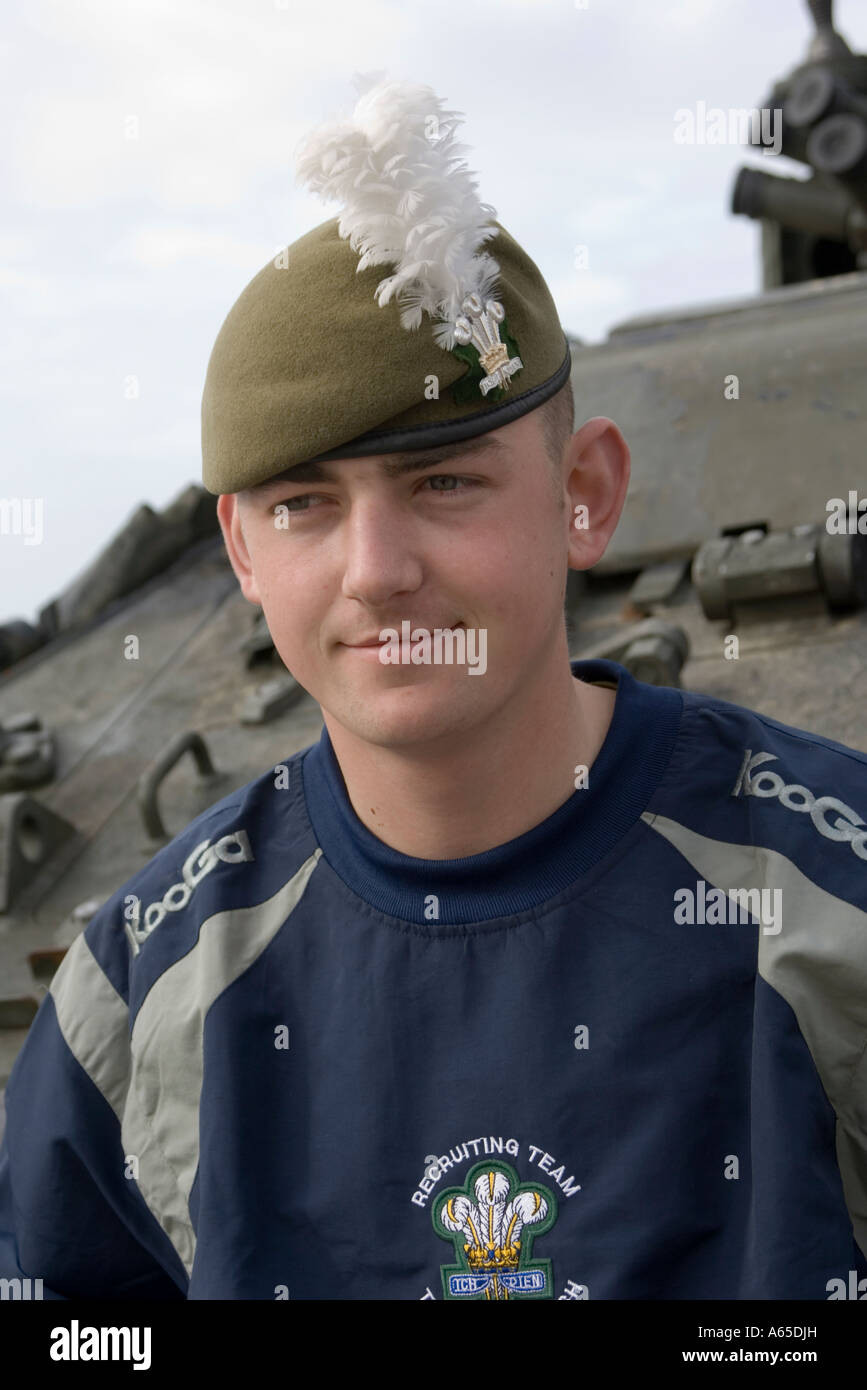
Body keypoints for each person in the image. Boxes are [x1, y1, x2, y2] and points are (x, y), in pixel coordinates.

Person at [1, 76, 865, 1303]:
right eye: (304, 504)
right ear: (240, 551)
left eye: (445, 481)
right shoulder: (141, 995)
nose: (377, 575)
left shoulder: (836, 897)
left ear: (586, 493)